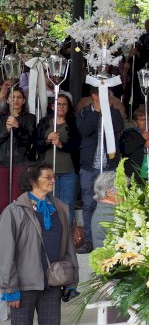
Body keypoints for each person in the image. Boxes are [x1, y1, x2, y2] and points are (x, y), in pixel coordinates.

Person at [0, 162, 79, 325]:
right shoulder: (14, 211)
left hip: (53, 283)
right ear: (34, 181)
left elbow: (68, 248)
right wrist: (9, 289)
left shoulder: (61, 208)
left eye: (54, 177)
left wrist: (72, 278)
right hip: (24, 285)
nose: (53, 181)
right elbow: (6, 253)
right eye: (48, 177)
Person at [90, 171, 145, 325]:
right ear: (111, 192)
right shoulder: (106, 214)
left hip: (123, 277)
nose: (127, 193)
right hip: (112, 280)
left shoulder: (114, 211)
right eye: (124, 189)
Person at [77, 86, 125, 253]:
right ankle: (90, 241)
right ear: (94, 96)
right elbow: (85, 130)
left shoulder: (113, 112)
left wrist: (108, 110)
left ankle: (111, 240)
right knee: (89, 203)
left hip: (109, 167)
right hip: (90, 166)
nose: (108, 97)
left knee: (112, 203)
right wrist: (97, 111)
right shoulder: (84, 113)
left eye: (109, 94)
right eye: (104, 95)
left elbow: (119, 127)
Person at [35, 92, 80, 228]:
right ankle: (50, 234)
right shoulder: (44, 122)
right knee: (47, 203)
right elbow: (37, 146)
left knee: (67, 205)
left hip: (68, 172)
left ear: (68, 107)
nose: (61, 106)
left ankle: (66, 238)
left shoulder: (73, 123)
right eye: (58, 104)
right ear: (52, 106)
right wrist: (48, 140)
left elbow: (77, 145)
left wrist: (61, 145)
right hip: (47, 173)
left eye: (64, 104)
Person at [0, 88, 37, 213]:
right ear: (8, 100)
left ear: (24, 100)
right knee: (2, 200)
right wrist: (6, 130)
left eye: (19, 97)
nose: (15, 100)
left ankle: (18, 228)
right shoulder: (1, 118)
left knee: (18, 199)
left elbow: (29, 141)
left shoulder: (30, 118)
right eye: (12, 97)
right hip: (2, 162)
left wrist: (17, 127)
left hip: (20, 162)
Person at [120, 107, 149, 181]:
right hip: (135, 175)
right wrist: (141, 139)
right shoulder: (128, 133)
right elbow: (126, 150)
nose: (146, 122)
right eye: (142, 120)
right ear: (135, 122)